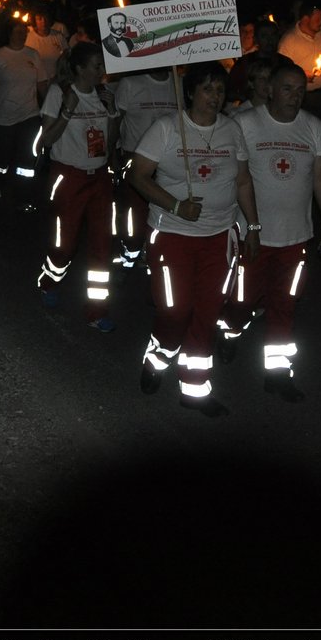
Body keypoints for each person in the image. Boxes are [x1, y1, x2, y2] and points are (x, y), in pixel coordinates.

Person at [128, 63, 260, 417]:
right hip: (172, 236)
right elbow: (137, 175)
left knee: (207, 311)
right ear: (189, 92)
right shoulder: (167, 129)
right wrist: (173, 204)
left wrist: (254, 226)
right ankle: (158, 356)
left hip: (220, 237)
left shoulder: (232, 130)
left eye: (220, 89)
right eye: (207, 89)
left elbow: (243, 181)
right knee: (175, 310)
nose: (215, 96)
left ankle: (194, 387)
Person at [233, 61, 321, 401]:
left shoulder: (313, 127)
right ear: (269, 90)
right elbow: (236, 178)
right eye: (287, 88)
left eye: (300, 90)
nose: (295, 96)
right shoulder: (245, 124)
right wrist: (248, 225)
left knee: (284, 305)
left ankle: (277, 373)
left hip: (296, 237)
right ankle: (228, 330)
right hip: (253, 235)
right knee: (242, 299)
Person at [35, 43, 119, 332]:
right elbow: (47, 140)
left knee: (101, 247)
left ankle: (97, 309)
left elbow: (110, 141)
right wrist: (68, 112)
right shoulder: (60, 94)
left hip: (99, 179)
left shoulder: (104, 95)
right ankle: (49, 281)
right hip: (68, 178)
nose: (101, 71)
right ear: (80, 68)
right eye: (96, 66)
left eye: (102, 66)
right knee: (64, 245)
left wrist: (112, 114)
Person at [112, 66, 180, 269]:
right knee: (134, 216)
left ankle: (154, 260)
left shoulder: (179, 83)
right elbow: (116, 121)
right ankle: (128, 257)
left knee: (164, 213)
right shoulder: (131, 84)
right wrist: (112, 153)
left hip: (168, 162)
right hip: (135, 159)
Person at [0, 22, 43, 208]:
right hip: (4, 118)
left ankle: (23, 195)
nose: (21, 35)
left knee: (27, 159)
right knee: (2, 158)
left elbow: (43, 83)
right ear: (9, 34)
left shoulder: (33, 54)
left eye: (23, 32)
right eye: (17, 32)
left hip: (29, 115)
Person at [276, 3, 321, 122]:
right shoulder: (289, 40)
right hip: (298, 95)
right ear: (305, 19)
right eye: (318, 19)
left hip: (319, 95)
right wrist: (302, 74)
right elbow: (281, 70)